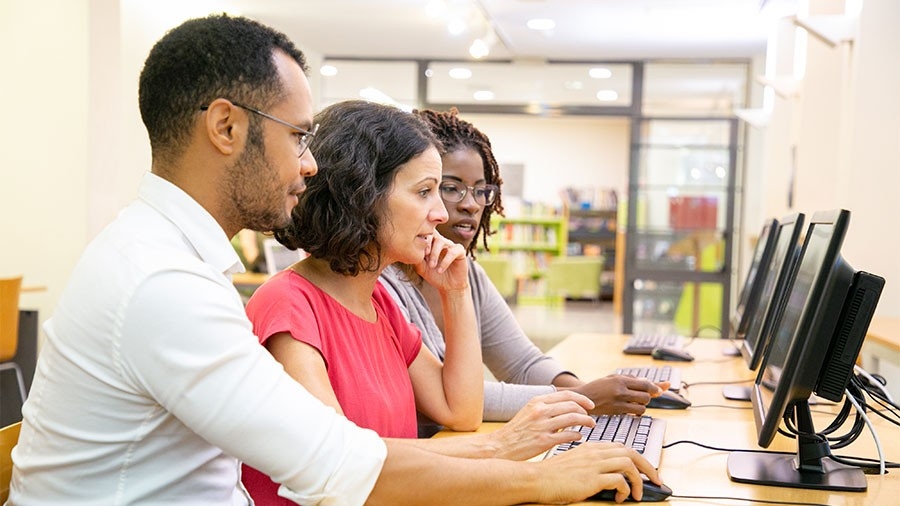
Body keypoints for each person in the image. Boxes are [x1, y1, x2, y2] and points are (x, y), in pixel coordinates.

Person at [7, 15, 661, 505]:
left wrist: (513, 453)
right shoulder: (161, 283)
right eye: (297, 136)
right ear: (227, 127)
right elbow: (332, 466)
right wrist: (532, 475)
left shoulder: (163, 259)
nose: (311, 163)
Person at [240, 99, 659, 504]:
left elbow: (460, 410)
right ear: (361, 196)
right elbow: (342, 468)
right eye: (425, 192)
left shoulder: (378, 301)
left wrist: (455, 293)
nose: (442, 213)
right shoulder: (289, 305)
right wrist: (526, 466)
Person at [379, 108, 668, 430]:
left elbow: (520, 362)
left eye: (480, 190)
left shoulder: (467, 274)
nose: (471, 204)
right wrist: (584, 398)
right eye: (450, 188)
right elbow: (453, 398)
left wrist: (592, 390)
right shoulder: (381, 283)